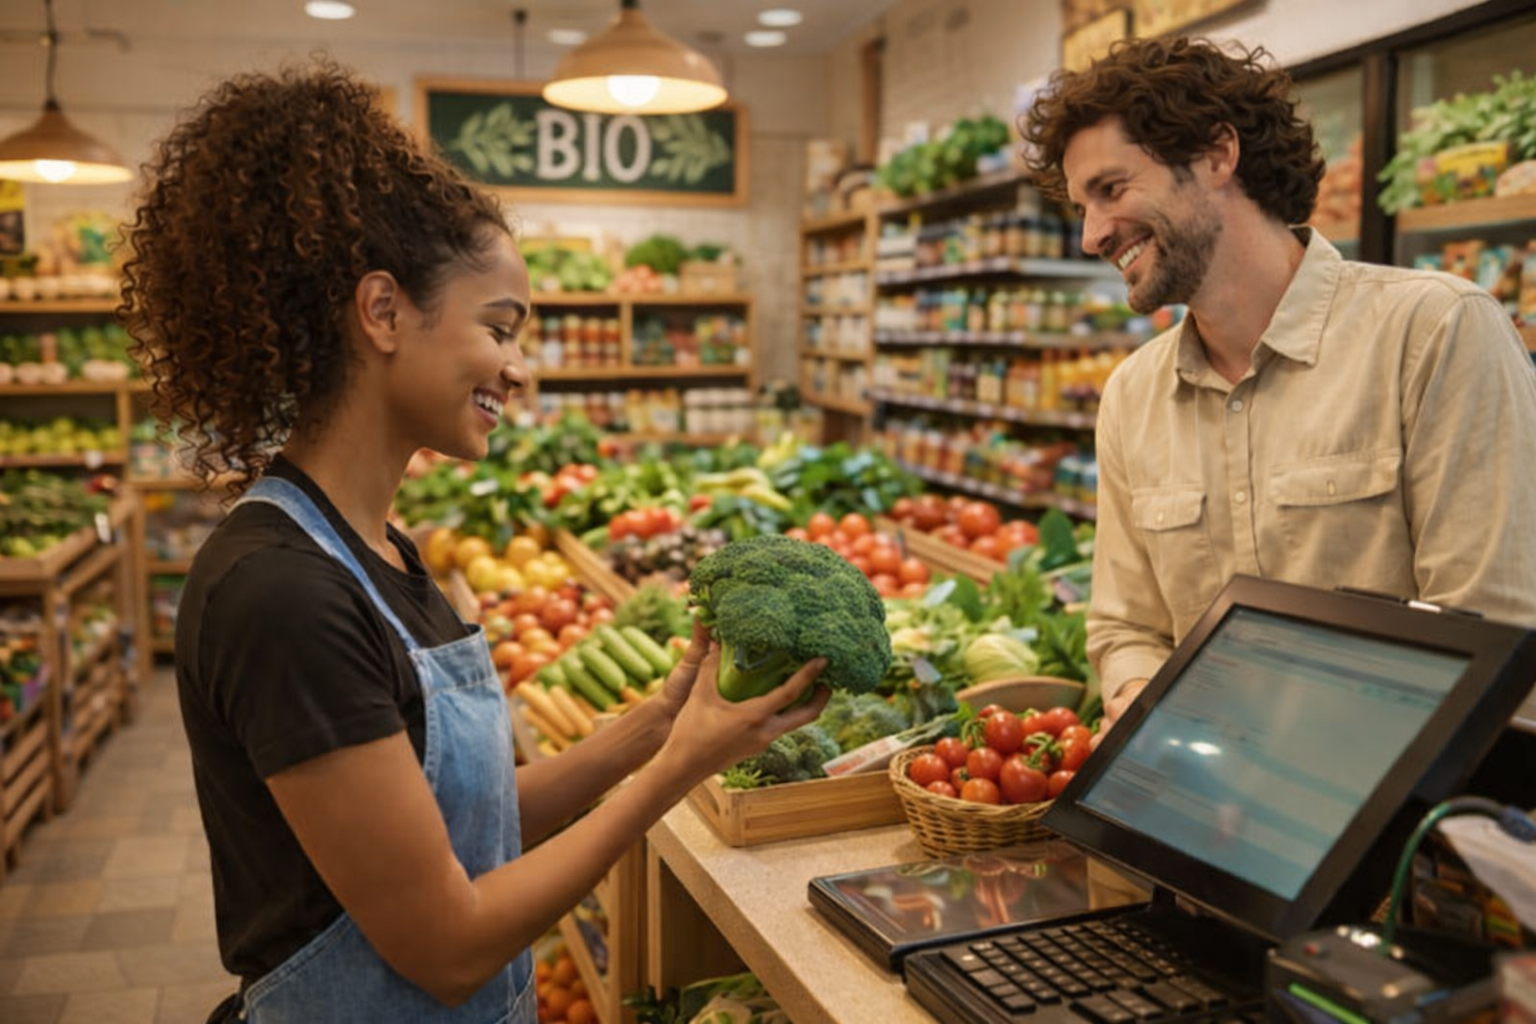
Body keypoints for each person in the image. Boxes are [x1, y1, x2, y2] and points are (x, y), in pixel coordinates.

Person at [118, 62, 829, 1024]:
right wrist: (679, 772)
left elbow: (470, 827)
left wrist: (657, 724)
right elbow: (448, 947)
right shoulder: (281, 595)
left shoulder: (384, 550)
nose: (519, 369)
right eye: (500, 328)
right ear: (382, 313)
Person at [1020, 37, 1536, 740]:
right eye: (1082, 206)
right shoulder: (1132, 395)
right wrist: (1141, 698)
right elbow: (1127, 625)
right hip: (1208, 812)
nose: (1092, 235)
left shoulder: (1434, 333)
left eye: (1110, 190)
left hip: (1398, 823)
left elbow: (1495, 641)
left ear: (1216, 155)